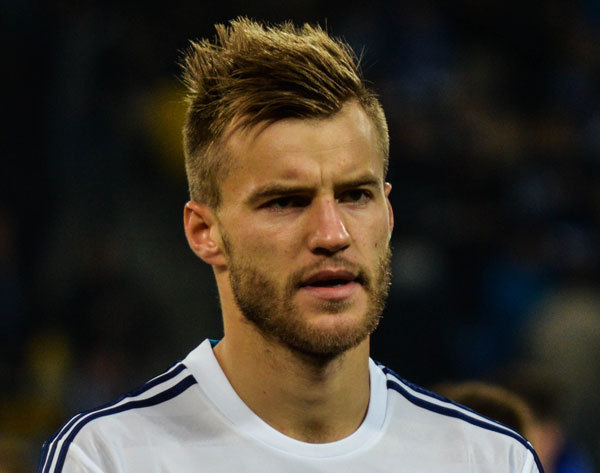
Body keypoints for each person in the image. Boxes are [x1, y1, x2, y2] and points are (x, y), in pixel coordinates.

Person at [38, 17, 544, 472]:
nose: (333, 235)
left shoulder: (491, 460)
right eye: (285, 202)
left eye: (355, 195)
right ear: (205, 233)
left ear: (388, 215)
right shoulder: (108, 458)